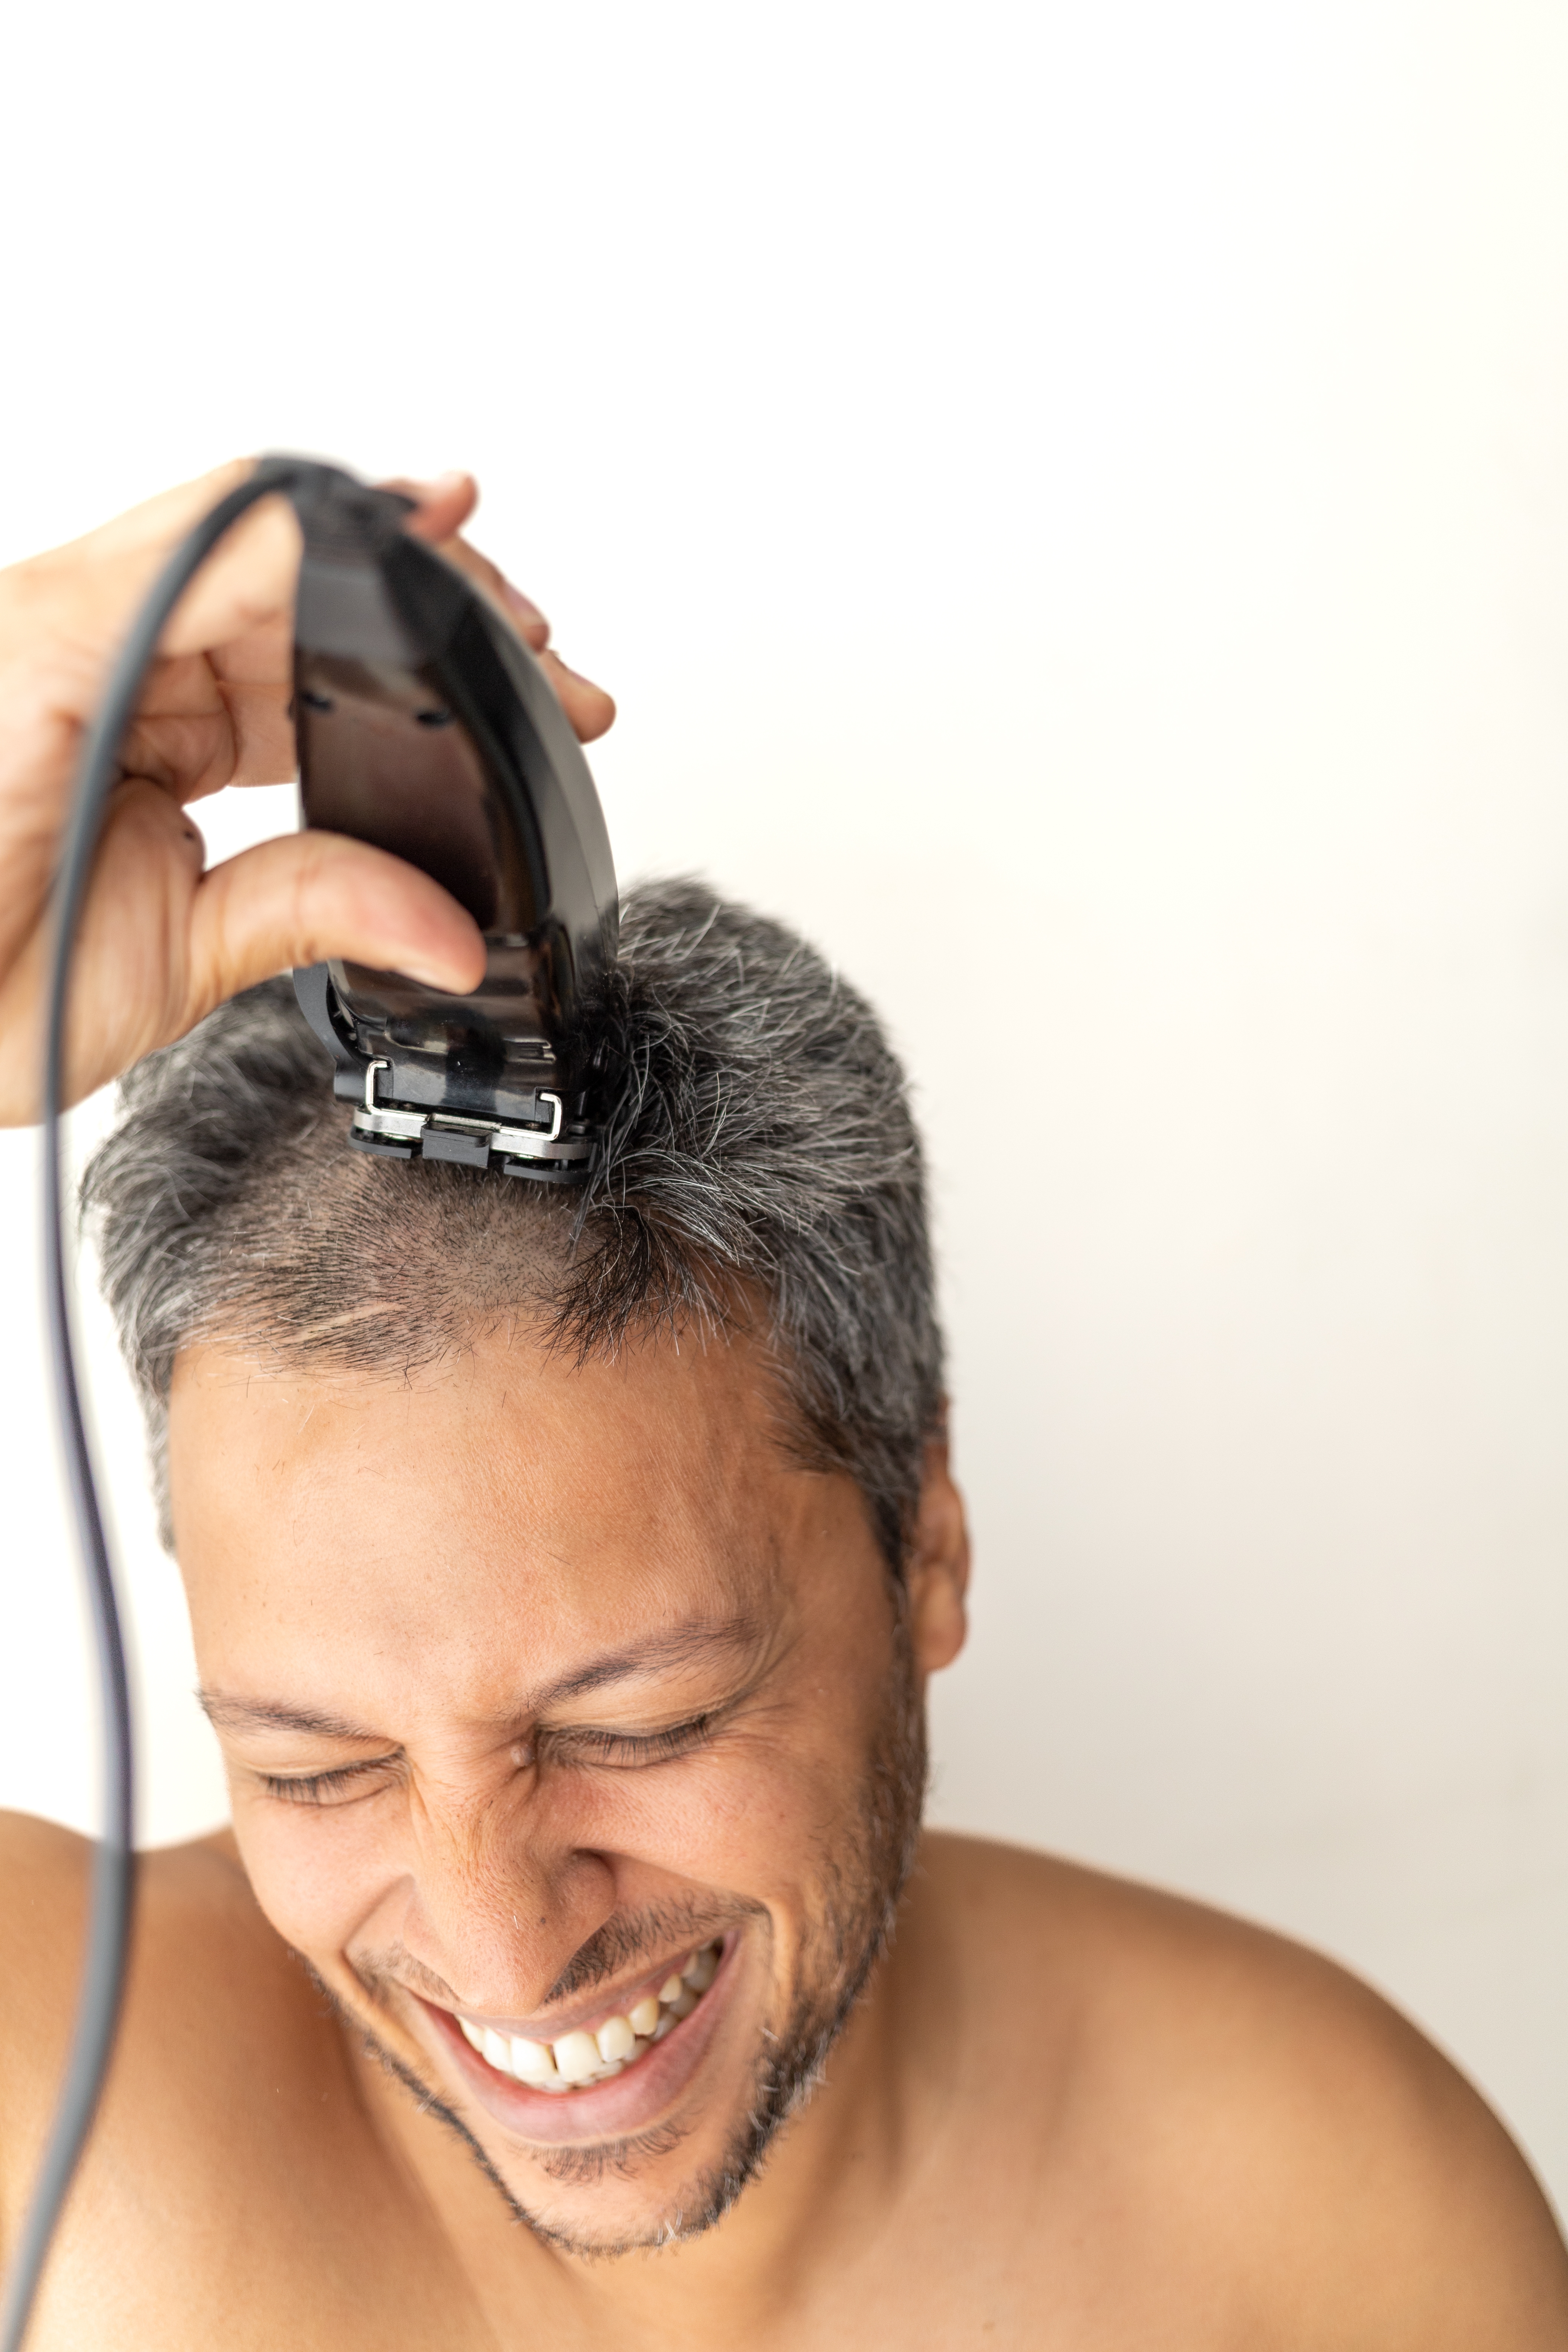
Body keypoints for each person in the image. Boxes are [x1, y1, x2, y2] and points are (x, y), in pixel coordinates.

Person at [0, 462, 1564, 2352]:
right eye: (315, 1767)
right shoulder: (41, 2096)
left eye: (637, 1723)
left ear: (926, 1544)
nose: (502, 1945)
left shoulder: (1331, 2229)